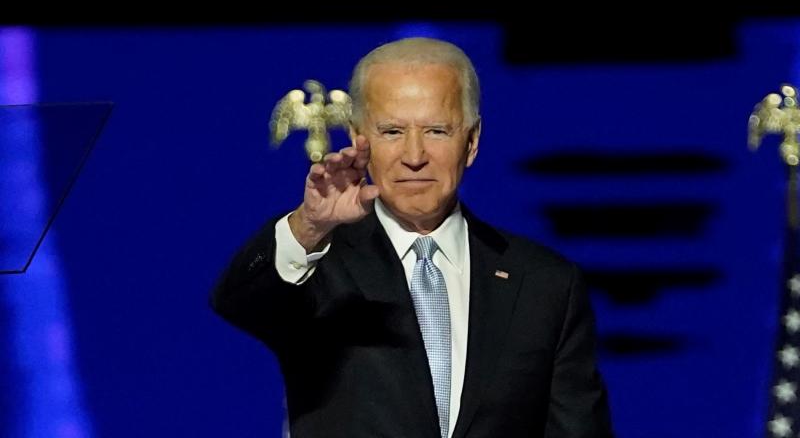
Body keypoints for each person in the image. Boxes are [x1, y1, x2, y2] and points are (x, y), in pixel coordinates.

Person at [210, 37, 613, 438]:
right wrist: (310, 227)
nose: (414, 155)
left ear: (471, 142)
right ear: (357, 138)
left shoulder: (545, 284)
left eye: (437, 130)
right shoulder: (318, 262)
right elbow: (238, 302)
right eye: (392, 131)